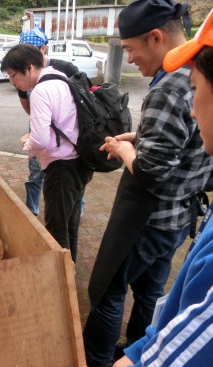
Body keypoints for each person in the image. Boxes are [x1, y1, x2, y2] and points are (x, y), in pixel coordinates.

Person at [83, 2, 213, 366]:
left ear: (155, 37)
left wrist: (126, 149)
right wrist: (142, 135)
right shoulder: (196, 70)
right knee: (150, 293)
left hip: (148, 220)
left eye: (129, 50)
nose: (130, 60)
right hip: (177, 220)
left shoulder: (168, 86)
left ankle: (99, 358)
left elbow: (153, 173)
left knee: (109, 294)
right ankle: (138, 347)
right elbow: (186, 141)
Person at [1, 44, 94, 262]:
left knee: (56, 231)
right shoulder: (60, 78)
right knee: (70, 224)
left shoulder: (40, 91)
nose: (13, 82)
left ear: (29, 67)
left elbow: (41, 138)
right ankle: (69, 268)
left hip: (61, 168)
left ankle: (61, 284)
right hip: (79, 162)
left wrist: (28, 142)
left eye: (13, 76)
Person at [18, 27, 79, 216]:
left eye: (31, 49)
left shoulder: (65, 69)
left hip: (67, 139)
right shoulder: (22, 73)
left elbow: (82, 104)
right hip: (39, 128)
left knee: (68, 185)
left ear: (43, 48)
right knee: (36, 172)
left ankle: (76, 209)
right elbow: (28, 108)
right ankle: (31, 211)